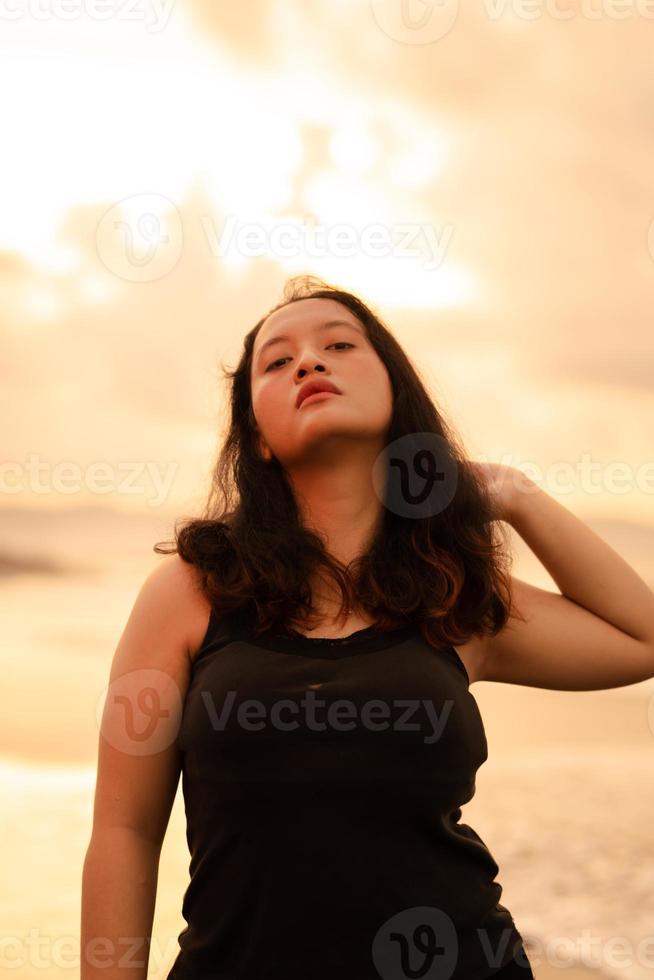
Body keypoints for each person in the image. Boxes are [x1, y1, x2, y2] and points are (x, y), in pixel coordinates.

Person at [82, 274, 654, 980]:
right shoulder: (191, 591)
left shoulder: (453, 595)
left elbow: (641, 639)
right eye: (277, 359)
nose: (308, 363)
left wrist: (512, 494)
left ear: (395, 392)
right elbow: (125, 832)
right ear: (257, 437)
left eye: (340, 345)